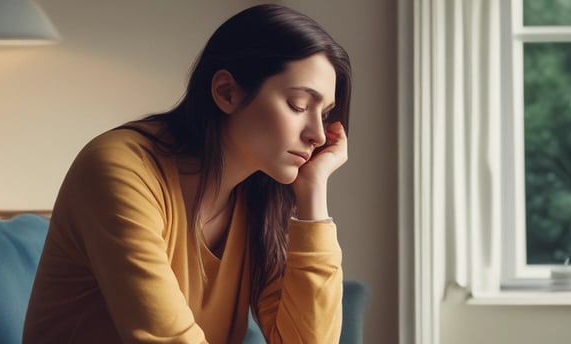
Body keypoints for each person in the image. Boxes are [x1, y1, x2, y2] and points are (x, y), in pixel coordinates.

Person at [22, 4, 352, 344]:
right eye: (299, 105)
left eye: (324, 114)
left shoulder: (259, 197)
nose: (318, 135)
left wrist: (313, 192)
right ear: (226, 92)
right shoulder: (119, 169)